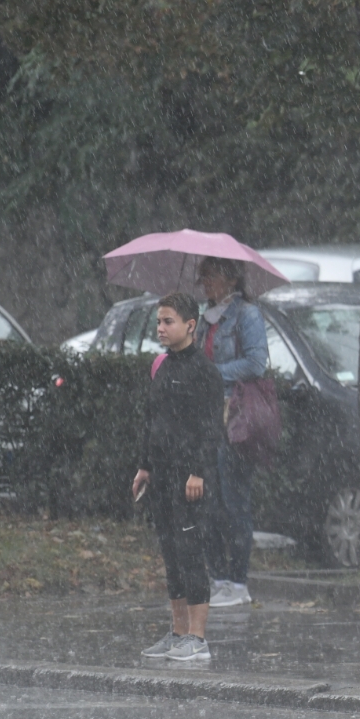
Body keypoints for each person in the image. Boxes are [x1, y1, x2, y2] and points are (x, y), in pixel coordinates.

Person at [135, 293, 226, 663]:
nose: (161, 328)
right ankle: (176, 632)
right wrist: (145, 466)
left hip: (191, 480)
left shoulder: (205, 372)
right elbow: (152, 421)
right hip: (163, 477)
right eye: (159, 321)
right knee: (171, 553)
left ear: (190, 325)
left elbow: (209, 429)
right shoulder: (161, 366)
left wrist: (198, 471)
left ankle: (198, 637)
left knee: (191, 553)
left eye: (168, 321)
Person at [194, 256, 269, 609]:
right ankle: (219, 578)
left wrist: (212, 373)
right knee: (207, 503)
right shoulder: (202, 319)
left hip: (235, 419)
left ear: (229, 278)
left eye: (209, 276)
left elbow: (256, 363)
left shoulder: (246, 315)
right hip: (206, 418)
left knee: (233, 500)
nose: (204, 283)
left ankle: (239, 582)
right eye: (201, 277)